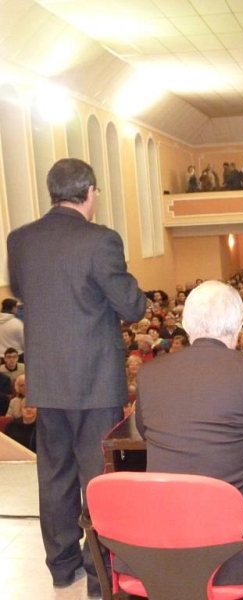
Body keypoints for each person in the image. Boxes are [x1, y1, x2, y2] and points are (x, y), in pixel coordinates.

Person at [6, 158, 146, 597]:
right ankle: (97, 572)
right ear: (89, 191)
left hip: (47, 380)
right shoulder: (101, 240)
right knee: (98, 479)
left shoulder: (20, 239)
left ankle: (61, 567)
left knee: (55, 475)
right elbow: (132, 307)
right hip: (94, 380)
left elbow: (25, 292)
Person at [135, 281, 243, 600]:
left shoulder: (150, 374)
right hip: (234, 546)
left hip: (161, 537)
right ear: (239, 324)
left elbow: (145, 430)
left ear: (187, 325)